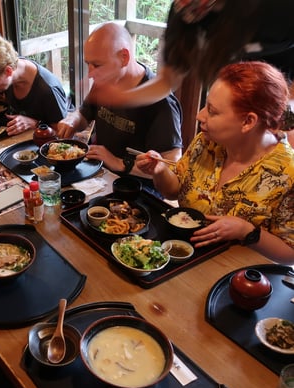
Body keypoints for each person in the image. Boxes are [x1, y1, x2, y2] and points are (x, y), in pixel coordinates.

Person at [135, 61, 294, 264]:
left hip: (236, 273)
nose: (199, 115)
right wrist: (160, 170)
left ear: (248, 122)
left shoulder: (287, 173)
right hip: (184, 255)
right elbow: (174, 191)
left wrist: (246, 231)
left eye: (212, 111)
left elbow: (290, 254)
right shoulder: (207, 142)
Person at [86, 0, 294, 113]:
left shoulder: (277, 8)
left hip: (281, 99)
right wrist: (123, 97)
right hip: (235, 108)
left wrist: (287, 111)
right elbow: (167, 81)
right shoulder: (184, 10)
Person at [56, 22, 182, 187]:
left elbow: (172, 166)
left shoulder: (161, 102)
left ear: (124, 57)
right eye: (88, 64)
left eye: (97, 65)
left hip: (137, 188)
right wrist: (72, 120)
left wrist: (119, 162)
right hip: (99, 174)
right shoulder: (104, 81)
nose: (91, 74)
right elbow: (84, 114)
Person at [0, 35, 73, 136]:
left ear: (8, 71)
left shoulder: (47, 90)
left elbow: (62, 134)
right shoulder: (11, 69)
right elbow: (13, 102)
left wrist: (35, 124)